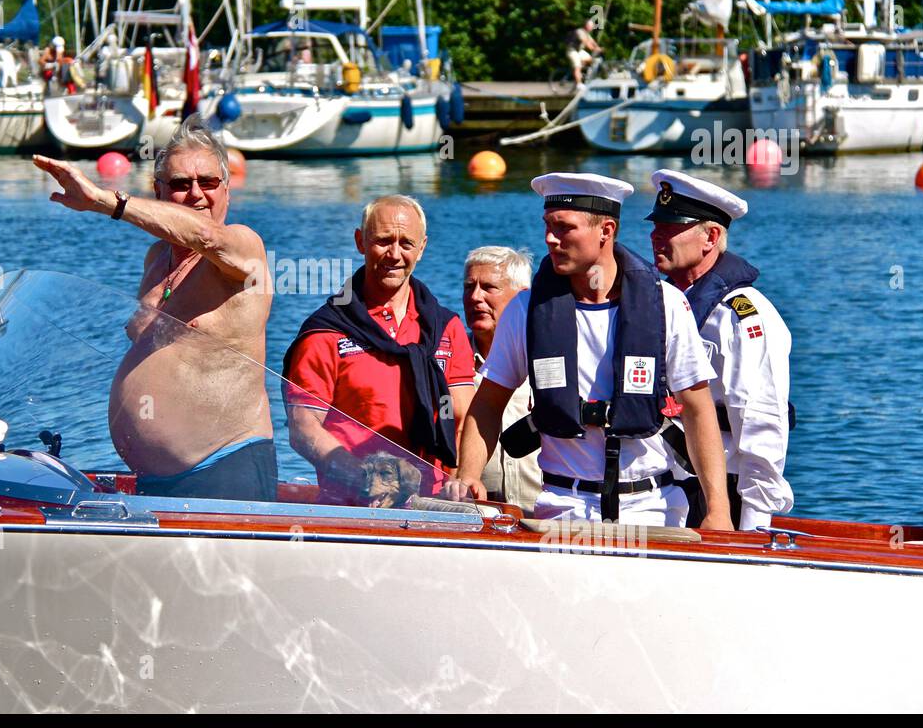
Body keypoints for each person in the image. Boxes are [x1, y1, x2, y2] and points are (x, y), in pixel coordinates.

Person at [451, 173, 732, 529]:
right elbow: (488, 404)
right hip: (562, 507)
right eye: (548, 226)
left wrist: (718, 510)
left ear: (606, 230)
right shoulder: (526, 311)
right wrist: (469, 474)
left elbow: (698, 408)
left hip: (652, 508)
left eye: (565, 228)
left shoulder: (666, 304)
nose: (550, 239)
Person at [33, 113, 276, 502]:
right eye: (180, 184)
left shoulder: (243, 248)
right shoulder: (157, 257)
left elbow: (205, 235)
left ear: (227, 191)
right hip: (155, 479)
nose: (196, 194)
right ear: (159, 191)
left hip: (225, 468)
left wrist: (101, 200)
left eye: (209, 182)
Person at [283, 195, 476, 506]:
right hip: (353, 504)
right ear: (360, 242)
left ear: (422, 248)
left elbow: (465, 417)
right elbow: (303, 427)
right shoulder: (327, 330)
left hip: (432, 504)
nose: (394, 254)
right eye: (383, 241)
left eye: (406, 243)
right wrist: (363, 480)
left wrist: (465, 476)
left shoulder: (446, 328)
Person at [646, 169, 793, 531]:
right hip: (663, 484)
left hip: (723, 491)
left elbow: (761, 421)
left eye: (670, 227)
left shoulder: (742, 315)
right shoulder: (658, 302)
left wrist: (752, 525)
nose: (655, 236)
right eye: (655, 225)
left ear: (710, 237)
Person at [462, 246, 541, 513]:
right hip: (481, 514)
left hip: (545, 512)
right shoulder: (450, 365)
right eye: (469, 287)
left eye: (489, 288)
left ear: (521, 298)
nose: (475, 297)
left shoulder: (548, 361)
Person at [566, 18, 601, 87]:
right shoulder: (580, 32)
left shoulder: (587, 34)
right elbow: (586, 42)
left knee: (591, 59)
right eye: (591, 25)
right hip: (572, 51)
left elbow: (592, 42)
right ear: (586, 25)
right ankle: (579, 84)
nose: (592, 27)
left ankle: (580, 72)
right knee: (577, 66)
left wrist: (599, 48)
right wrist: (593, 49)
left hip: (579, 51)